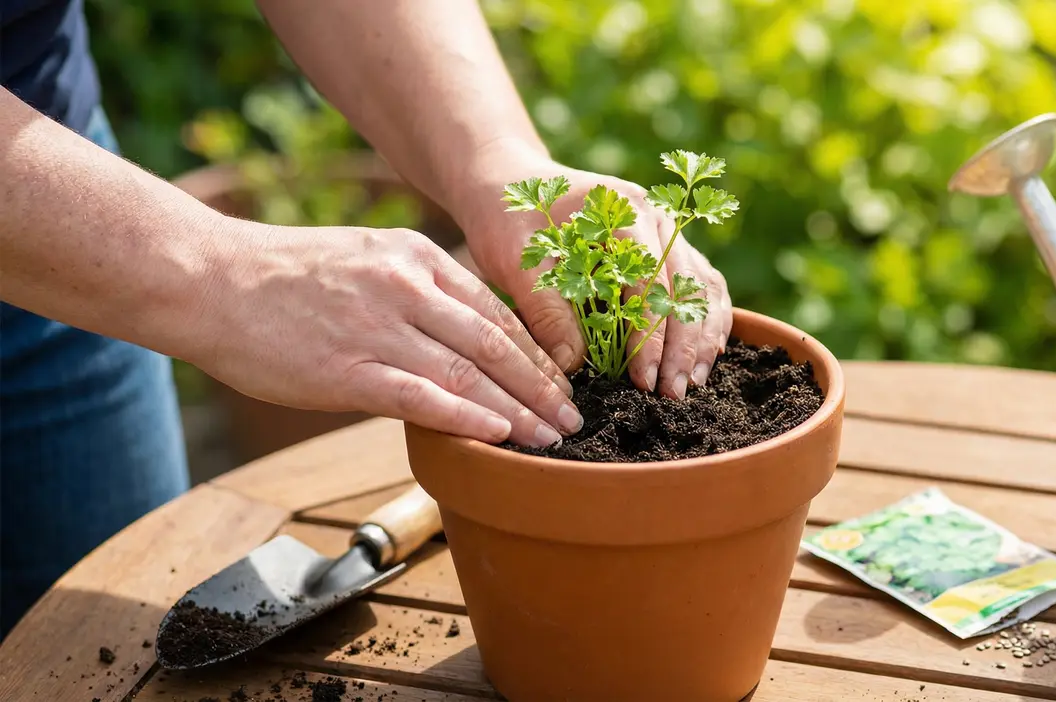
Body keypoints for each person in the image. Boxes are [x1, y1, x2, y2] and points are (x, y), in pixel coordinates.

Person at [0, 0, 732, 635]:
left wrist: (493, 160)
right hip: (71, 225)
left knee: (93, 644)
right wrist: (218, 271)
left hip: (56, 158)